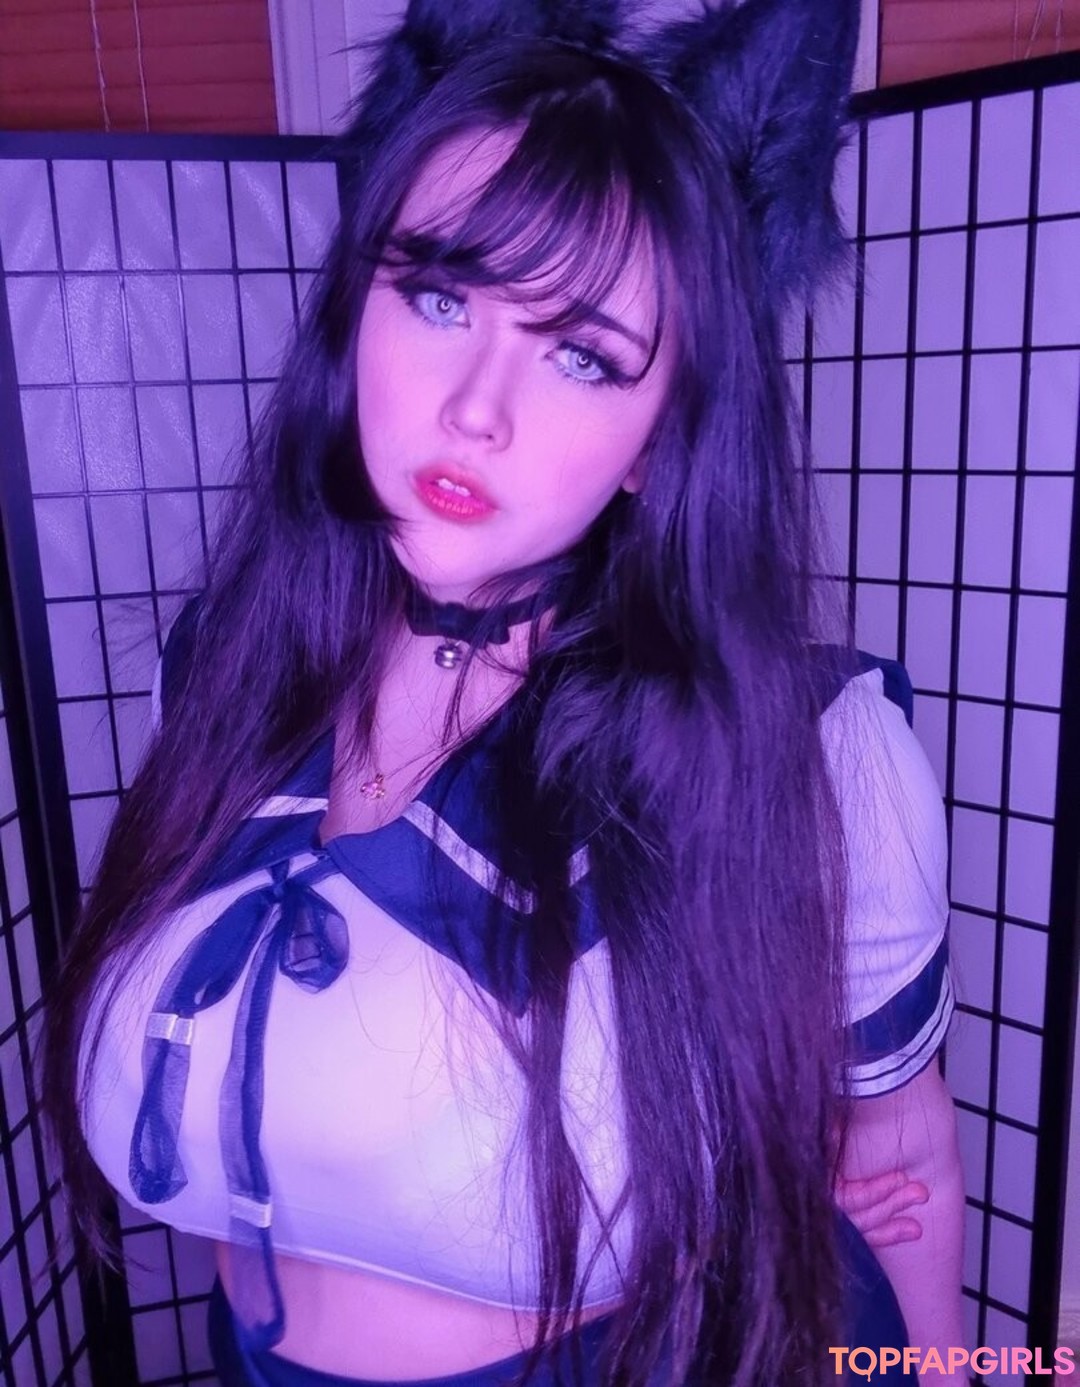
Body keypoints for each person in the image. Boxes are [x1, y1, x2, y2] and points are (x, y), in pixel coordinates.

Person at [43, 4, 965, 1384]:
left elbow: (903, 1157)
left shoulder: (811, 756)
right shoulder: (230, 674)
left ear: (663, 437)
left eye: (581, 353)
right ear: (356, 309)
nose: (477, 406)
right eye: (440, 297)